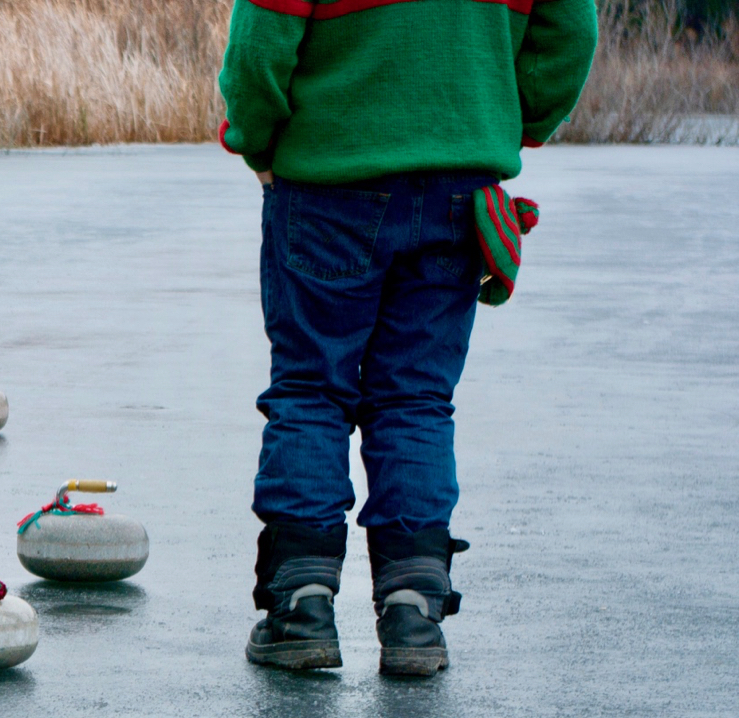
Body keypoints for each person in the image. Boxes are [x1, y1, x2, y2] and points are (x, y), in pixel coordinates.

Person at [219, 0, 596, 676]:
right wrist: (500, 117)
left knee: (311, 388)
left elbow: (258, 45)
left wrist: (256, 140)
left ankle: (300, 606)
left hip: (327, 179)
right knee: (416, 398)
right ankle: (414, 615)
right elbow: (571, 34)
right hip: (459, 182)